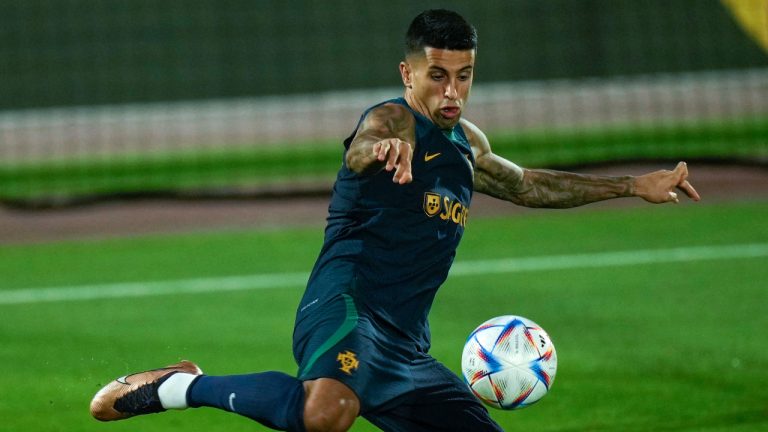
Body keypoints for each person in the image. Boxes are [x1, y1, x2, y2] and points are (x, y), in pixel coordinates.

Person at [89, 9, 700, 432]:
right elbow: (364, 142)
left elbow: (526, 184)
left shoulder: (467, 145)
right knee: (326, 414)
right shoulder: (390, 120)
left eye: (463, 75)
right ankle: (182, 384)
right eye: (437, 75)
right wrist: (382, 149)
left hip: (406, 345)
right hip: (345, 307)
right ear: (409, 73)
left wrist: (629, 184)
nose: (452, 90)